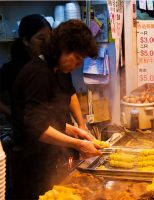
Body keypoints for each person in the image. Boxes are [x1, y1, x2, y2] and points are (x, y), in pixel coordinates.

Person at [10, 19, 100, 199]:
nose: (78, 65)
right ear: (62, 48)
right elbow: (37, 128)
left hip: (48, 162)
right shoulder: (38, 74)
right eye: (77, 58)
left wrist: (77, 130)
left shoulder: (56, 71)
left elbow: (50, 119)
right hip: (31, 167)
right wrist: (79, 144)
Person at [0, 14, 87, 130]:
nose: (47, 43)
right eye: (41, 39)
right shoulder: (24, 70)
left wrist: (82, 125)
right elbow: (37, 125)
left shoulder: (58, 64)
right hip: (37, 136)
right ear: (26, 40)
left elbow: (70, 93)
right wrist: (13, 113)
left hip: (62, 129)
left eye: (49, 38)